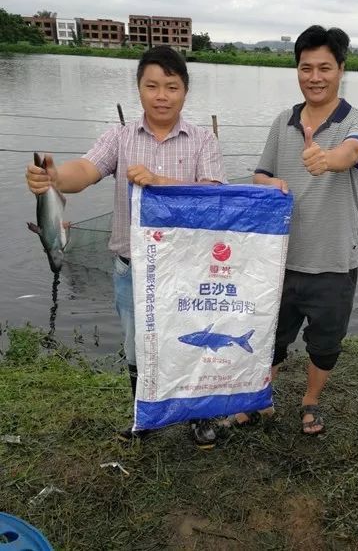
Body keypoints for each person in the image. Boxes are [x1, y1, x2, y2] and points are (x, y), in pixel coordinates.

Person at [25, 46, 226, 448]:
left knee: (192, 341)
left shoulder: (203, 140)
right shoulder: (120, 137)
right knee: (137, 349)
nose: (161, 95)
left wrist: (159, 180)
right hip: (131, 266)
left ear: (185, 91)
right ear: (139, 89)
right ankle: (145, 418)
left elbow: (215, 197)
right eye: (152, 85)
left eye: (171, 86)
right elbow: (84, 170)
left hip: (185, 267)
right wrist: (53, 178)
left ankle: (197, 418)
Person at [245, 25, 358, 434]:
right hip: (280, 259)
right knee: (270, 338)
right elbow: (260, 174)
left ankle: (311, 401)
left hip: (334, 260)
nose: (314, 77)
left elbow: (354, 149)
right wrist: (272, 183)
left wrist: (329, 159)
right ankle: (259, 398)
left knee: (325, 343)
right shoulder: (283, 120)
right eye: (306, 68)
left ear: (341, 69)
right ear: (297, 70)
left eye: (324, 68)